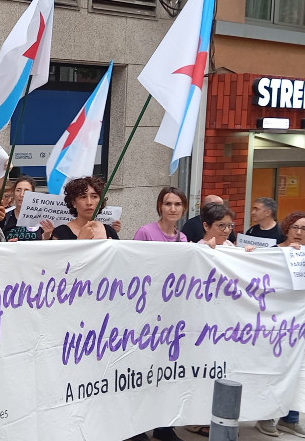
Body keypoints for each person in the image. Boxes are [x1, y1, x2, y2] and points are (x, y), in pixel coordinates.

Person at [255, 211, 305, 439]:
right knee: (273, 368)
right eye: (295, 227)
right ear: (286, 229)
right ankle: (266, 415)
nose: (298, 232)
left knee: (299, 368)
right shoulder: (273, 253)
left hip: (298, 325)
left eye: (304, 229)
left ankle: (291, 418)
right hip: (272, 323)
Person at [129, 187, 187, 441]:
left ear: (183, 208)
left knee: (166, 373)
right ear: (159, 207)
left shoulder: (184, 239)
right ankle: (138, 426)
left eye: (177, 204)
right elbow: (132, 266)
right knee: (143, 371)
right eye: (167, 204)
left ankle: (164, 425)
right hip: (147, 313)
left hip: (172, 315)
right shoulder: (146, 232)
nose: (172, 208)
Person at [50, 176, 119, 240]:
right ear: (74, 203)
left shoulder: (110, 231)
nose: (89, 202)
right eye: (83, 197)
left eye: (94, 197)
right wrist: (81, 240)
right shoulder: (60, 232)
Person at [0, 176, 48, 241]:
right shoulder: (4, 216)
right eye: (18, 190)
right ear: (13, 193)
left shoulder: (42, 217)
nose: (21, 194)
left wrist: (47, 234)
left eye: (26, 191)